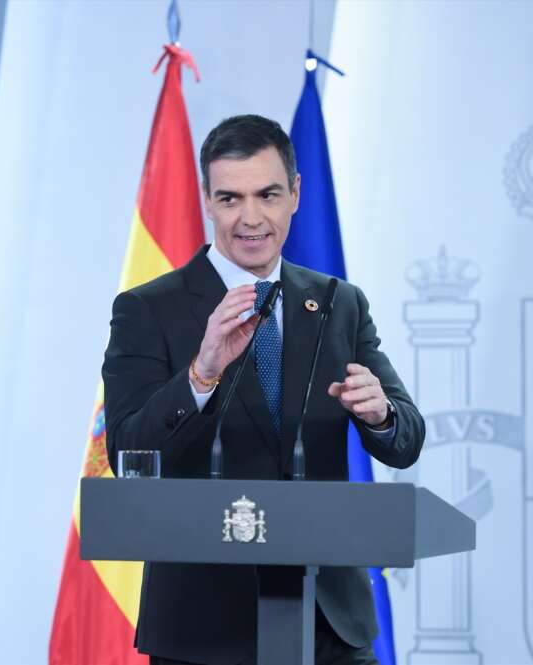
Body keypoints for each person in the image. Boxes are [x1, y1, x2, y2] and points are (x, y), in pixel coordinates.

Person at [103, 114, 425, 665]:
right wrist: (201, 374)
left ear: (295, 194)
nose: (250, 218)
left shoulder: (336, 303)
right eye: (230, 199)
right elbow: (128, 452)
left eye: (268, 194)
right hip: (204, 631)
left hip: (329, 624)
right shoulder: (147, 309)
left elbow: (406, 438)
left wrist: (380, 416)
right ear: (206, 199)